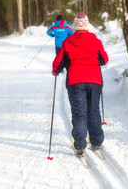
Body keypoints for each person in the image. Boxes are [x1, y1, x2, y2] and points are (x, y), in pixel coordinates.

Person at [52, 12, 109, 156]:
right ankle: (96, 141)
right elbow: (104, 60)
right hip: (94, 81)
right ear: (87, 25)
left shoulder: (68, 41)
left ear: (75, 26)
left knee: (79, 113)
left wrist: (55, 71)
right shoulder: (95, 41)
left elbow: (58, 62)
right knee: (94, 111)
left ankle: (80, 144)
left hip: (75, 81)